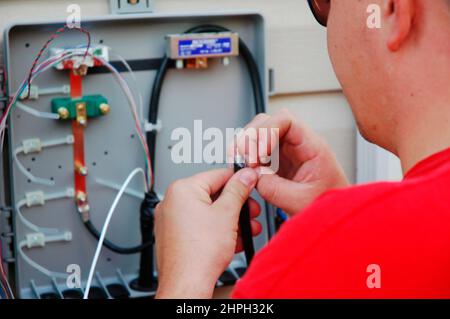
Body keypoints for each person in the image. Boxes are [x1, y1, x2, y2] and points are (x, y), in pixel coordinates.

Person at [155, 0, 450, 298]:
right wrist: (343, 222)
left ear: (394, 10)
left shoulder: (291, 272)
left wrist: (184, 280)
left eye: (326, 4)